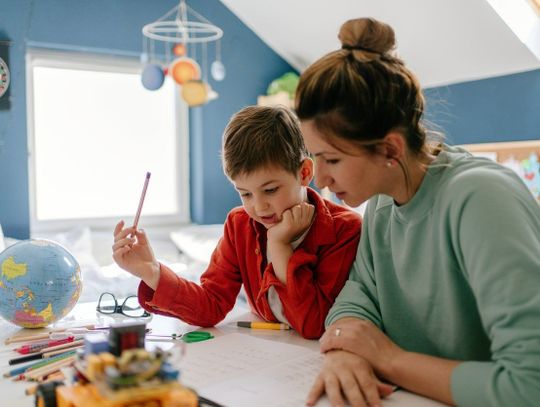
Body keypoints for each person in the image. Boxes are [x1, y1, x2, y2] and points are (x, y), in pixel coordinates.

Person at [295, 17, 540, 407]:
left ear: (390, 150)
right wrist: (345, 351)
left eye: (332, 160)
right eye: (314, 158)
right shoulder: (381, 203)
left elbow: (530, 386)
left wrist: (389, 359)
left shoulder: (480, 198)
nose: (319, 178)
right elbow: (358, 295)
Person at [112, 105, 362, 339]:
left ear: (305, 173)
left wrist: (279, 247)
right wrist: (152, 271)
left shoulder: (345, 229)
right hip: (264, 355)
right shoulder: (239, 224)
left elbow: (314, 325)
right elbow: (211, 305)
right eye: (245, 194)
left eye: (271, 190)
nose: (259, 206)